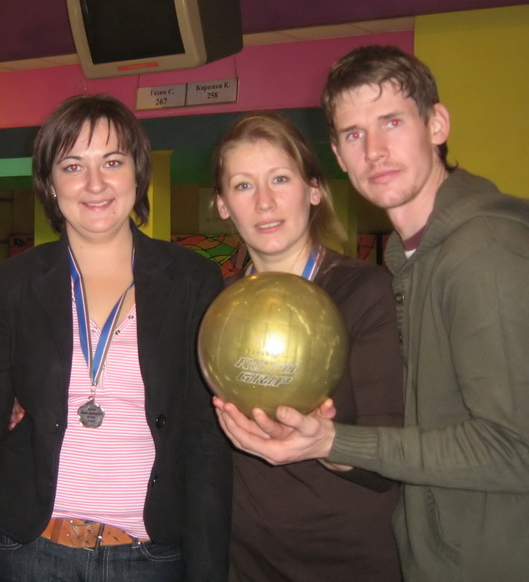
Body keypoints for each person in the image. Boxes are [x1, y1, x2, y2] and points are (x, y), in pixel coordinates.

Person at [214, 45, 529, 581]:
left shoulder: (482, 251)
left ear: (437, 124)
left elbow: (515, 448)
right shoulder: (410, 258)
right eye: (355, 134)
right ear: (339, 155)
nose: (375, 151)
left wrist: (332, 441)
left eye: (392, 122)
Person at [0, 93, 232, 582]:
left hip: (149, 556)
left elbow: (205, 440)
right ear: (49, 184)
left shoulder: (193, 280)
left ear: (138, 173)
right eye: (72, 166)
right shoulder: (14, 283)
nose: (95, 184)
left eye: (112, 161)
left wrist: (207, 568)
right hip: (25, 548)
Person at [212, 111, 403, 581]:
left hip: (347, 560)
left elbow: (393, 457)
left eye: (280, 178)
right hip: (243, 559)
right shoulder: (215, 309)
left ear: (314, 190)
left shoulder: (367, 292)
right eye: (243, 185)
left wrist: (325, 443)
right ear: (222, 205)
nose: (264, 202)